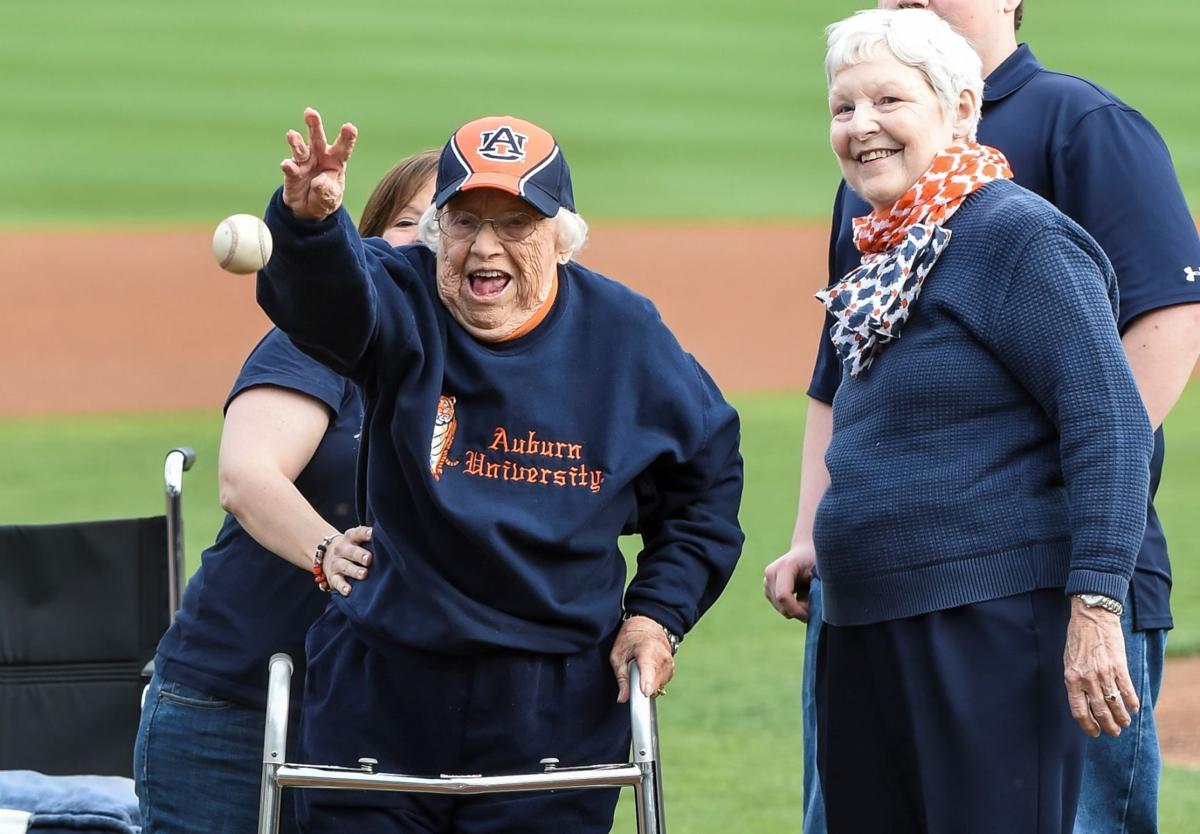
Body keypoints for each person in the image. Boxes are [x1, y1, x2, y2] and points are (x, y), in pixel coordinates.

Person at [764, 2, 1200, 832]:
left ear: (961, 109)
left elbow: (1109, 423)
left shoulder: (1016, 235)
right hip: (873, 615)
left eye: (889, 102)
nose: (862, 126)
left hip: (987, 623)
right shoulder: (885, 244)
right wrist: (816, 532)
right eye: (843, 107)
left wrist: (1100, 603)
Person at [255, 110, 744, 833]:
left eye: (516, 223)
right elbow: (326, 304)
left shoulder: (625, 336)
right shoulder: (402, 294)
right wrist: (307, 224)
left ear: (561, 236)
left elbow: (704, 488)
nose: (486, 248)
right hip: (386, 682)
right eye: (463, 221)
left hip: (555, 696)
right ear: (435, 232)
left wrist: (657, 614)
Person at [133, 149, 439, 834]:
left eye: (444, 225)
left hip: (382, 723)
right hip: (236, 705)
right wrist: (326, 549)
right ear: (366, 244)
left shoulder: (484, 371)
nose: (423, 240)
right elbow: (246, 475)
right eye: (406, 223)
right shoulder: (321, 340)